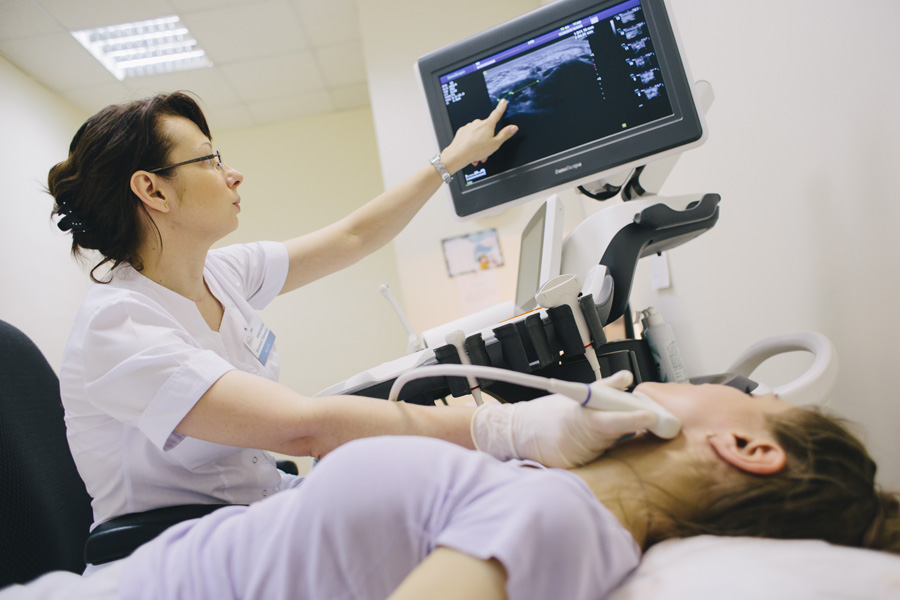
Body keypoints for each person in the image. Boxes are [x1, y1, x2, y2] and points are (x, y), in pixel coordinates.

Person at [46, 92, 658, 552]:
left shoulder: (222, 273)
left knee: (458, 490)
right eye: (210, 160)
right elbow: (302, 429)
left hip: (258, 514)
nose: (233, 174)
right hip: (181, 551)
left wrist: (448, 163)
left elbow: (354, 237)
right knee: (465, 522)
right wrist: (510, 427)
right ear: (153, 191)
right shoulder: (119, 325)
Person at [2, 380, 898, 599]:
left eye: (746, 394)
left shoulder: (552, 518)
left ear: (744, 446)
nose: (710, 379)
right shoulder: (553, 495)